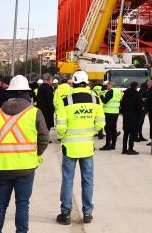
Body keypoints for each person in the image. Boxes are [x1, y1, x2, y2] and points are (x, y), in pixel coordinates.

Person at [0, 75, 49, 233]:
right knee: (22, 205)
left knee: (0, 203)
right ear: (27, 93)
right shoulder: (35, 112)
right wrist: (34, 154)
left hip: (2, 167)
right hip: (25, 167)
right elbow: (44, 138)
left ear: (9, 93)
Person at [55, 71, 105, 225]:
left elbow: (60, 127)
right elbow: (101, 122)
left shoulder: (66, 100)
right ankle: (88, 213)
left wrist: (63, 137)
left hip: (69, 147)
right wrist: (91, 133)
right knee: (88, 180)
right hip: (87, 147)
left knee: (68, 180)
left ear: (74, 83)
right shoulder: (95, 99)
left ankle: (65, 213)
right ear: (87, 83)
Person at [119, 81, 144, 154]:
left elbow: (122, 104)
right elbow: (139, 106)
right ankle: (130, 149)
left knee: (126, 133)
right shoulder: (137, 94)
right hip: (134, 116)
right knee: (132, 133)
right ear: (136, 86)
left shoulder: (125, 94)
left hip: (126, 116)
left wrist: (124, 113)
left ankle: (124, 149)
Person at [99, 81, 121, 151]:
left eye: (107, 85)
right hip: (115, 112)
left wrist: (101, 96)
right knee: (114, 129)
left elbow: (105, 101)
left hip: (109, 113)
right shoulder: (118, 92)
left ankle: (107, 145)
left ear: (111, 85)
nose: (106, 86)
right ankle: (113, 145)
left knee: (107, 129)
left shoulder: (110, 92)